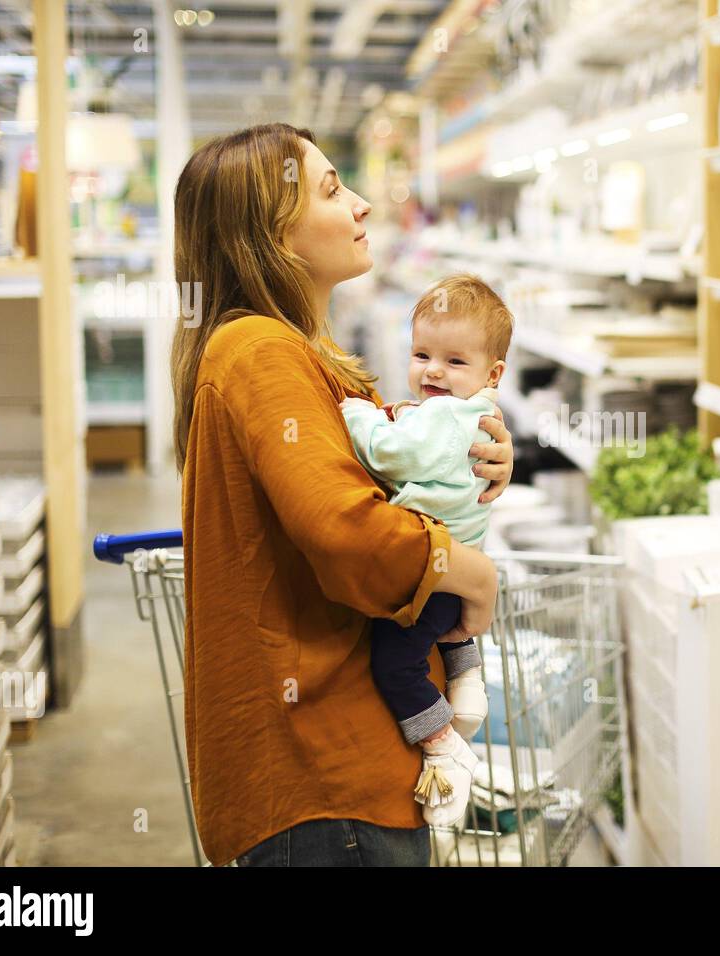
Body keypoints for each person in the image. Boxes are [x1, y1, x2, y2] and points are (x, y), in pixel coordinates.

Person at [170, 123, 512, 867]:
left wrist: (473, 450)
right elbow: (343, 528)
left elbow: (350, 459)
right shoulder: (260, 351)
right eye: (332, 189)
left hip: (330, 773)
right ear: (270, 235)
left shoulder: (286, 350)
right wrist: (472, 572)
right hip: (326, 774)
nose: (360, 205)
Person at [340, 274, 512, 827]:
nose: (433, 371)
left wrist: (353, 416)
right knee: (442, 630)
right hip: (451, 577)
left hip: (429, 574)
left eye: (454, 362)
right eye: (422, 354)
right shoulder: (465, 413)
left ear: (492, 374)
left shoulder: (443, 417)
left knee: (395, 664)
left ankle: (442, 744)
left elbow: (391, 454)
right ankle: (466, 681)